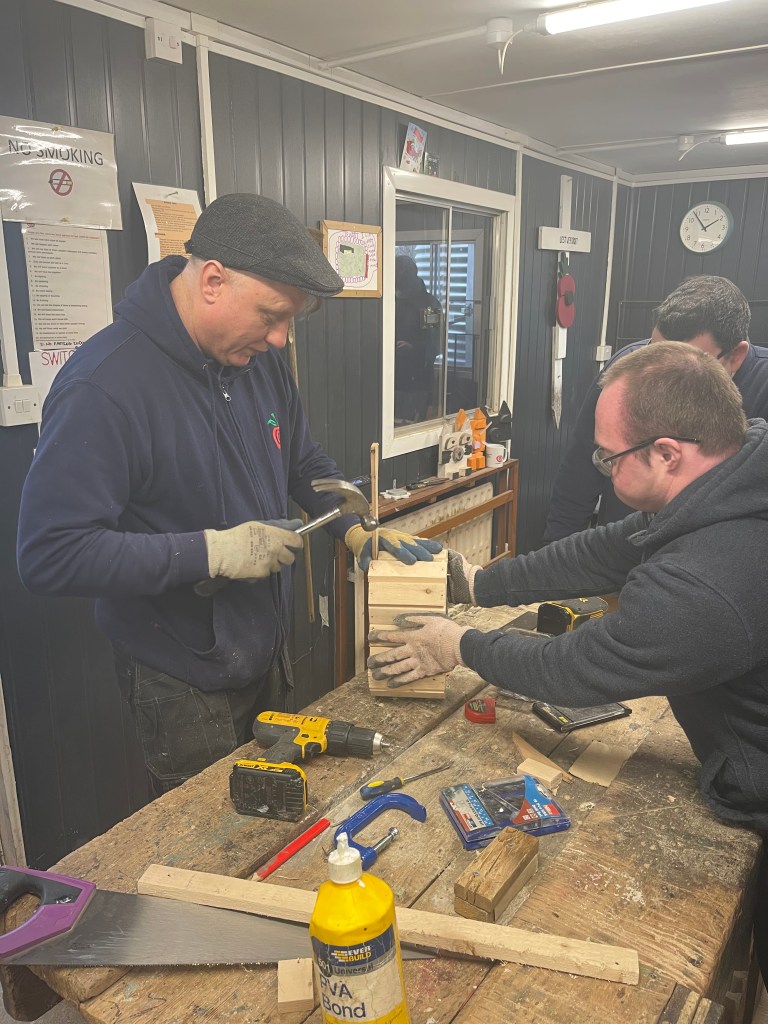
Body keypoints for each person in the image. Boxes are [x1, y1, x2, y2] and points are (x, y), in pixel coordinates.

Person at [17, 193, 440, 796]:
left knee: (280, 810)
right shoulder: (103, 386)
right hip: (179, 679)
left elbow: (302, 459)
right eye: (270, 315)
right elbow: (50, 554)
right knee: (213, 838)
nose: (279, 338)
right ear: (213, 281)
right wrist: (211, 553)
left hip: (264, 649)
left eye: (290, 320)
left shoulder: (254, 360)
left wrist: (350, 525)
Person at [369, 341, 768, 836]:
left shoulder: (709, 578)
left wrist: (459, 645)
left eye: (609, 457)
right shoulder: (727, 484)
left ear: (667, 454)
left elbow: (573, 668)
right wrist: (479, 583)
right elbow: (602, 551)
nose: (602, 465)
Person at [543, 275, 768, 543]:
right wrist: (556, 546)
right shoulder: (630, 368)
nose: (659, 373)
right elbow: (580, 469)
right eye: (656, 351)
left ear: (736, 356)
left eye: (685, 365)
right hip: (620, 545)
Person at [394, 254, 442, 423]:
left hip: (417, 380)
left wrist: (412, 347)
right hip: (390, 376)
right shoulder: (389, 301)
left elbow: (435, 344)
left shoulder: (429, 305)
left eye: (398, 274)